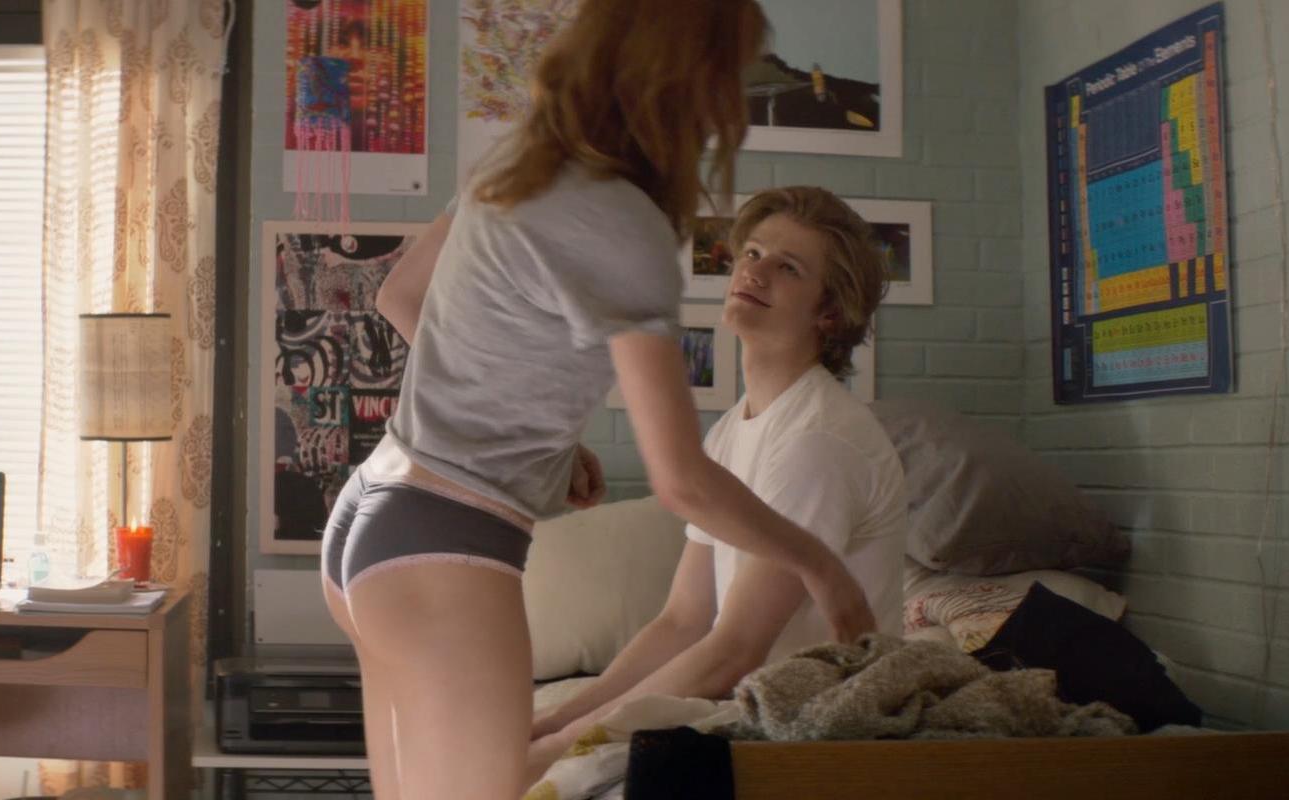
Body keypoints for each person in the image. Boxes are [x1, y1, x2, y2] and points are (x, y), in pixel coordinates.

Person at [316, 3, 875, 798]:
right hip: (445, 546)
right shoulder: (625, 222)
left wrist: (541, 435)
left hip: (371, 515)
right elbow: (680, 481)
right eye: (734, 71)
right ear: (693, 79)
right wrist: (824, 567)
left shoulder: (519, 162)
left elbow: (399, 297)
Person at [527, 187, 907, 777]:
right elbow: (683, 620)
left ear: (829, 313)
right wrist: (554, 724)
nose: (754, 272)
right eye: (752, 253)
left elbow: (734, 650)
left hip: (804, 731)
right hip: (747, 709)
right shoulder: (733, 430)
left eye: (788, 267)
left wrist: (553, 753)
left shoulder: (819, 441)